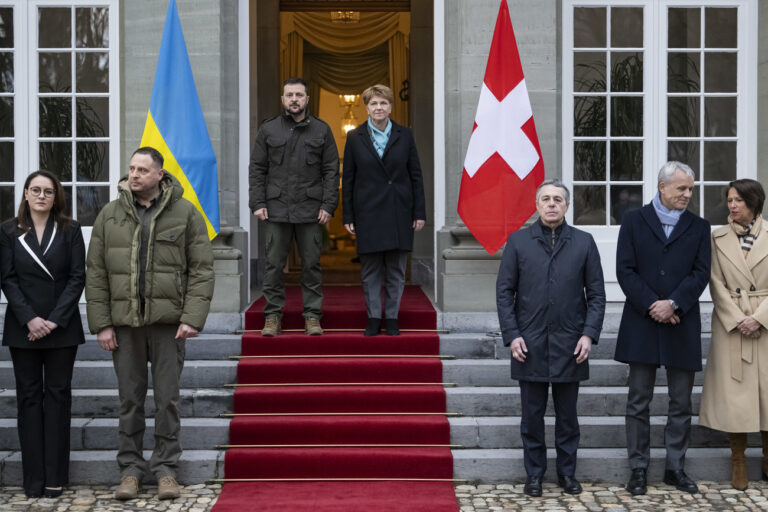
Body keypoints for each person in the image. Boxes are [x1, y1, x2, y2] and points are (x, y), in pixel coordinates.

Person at [85, 147, 214, 500]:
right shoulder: (109, 215)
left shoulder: (186, 213)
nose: (135, 175)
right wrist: (102, 324)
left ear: (160, 174)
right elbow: (95, 273)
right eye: (131, 169)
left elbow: (201, 269)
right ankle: (129, 470)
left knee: (168, 400)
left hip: (168, 325)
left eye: (143, 169)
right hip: (124, 326)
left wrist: (191, 318)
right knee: (130, 400)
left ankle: (166, 470)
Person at [496, 180, 605, 496]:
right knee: (531, 418)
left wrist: (589, 334)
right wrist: (512, 335)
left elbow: (597, 294)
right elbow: (504, 292)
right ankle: (534, 475)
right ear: (537, 204)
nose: (552, 204)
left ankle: (567, 474)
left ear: (567, 206)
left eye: (558, 199)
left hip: (571, 344)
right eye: (546, 199)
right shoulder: (518, 242)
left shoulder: (584, 242)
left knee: (568, 418)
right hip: (528, 344)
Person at [614, 161, 711, 495]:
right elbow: (625, 270)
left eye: (690, 190)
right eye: (681, 189)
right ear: (662, 187)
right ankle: (638, 468)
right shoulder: (633, 221)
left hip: (681, 322)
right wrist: (653, 304)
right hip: (642, 322)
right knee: (638, 400)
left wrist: (674, 304)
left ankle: (675, 468)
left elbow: (701, 273)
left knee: (681, 402)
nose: (687, 195)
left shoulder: (699, 227)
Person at [0, 171, 85, 498]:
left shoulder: (71, 230)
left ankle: (55, 478)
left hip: (61, 328)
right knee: (29, 401)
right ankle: (32, 479)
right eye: (35, 190)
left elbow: (78, 277)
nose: (41, 196)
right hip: (23, 330)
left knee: (59, 400)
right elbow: (7, 278)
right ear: (24, 194)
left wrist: (52, 320)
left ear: (56, 197)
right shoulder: (8, 232)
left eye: (48, 191)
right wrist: (30, 319)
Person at [249, 77, 339, 337]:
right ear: (283, 99)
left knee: (311, 265)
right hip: (276, 208)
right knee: (273, 265)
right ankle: (273, 316)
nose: (294, 100)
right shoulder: (269, 130)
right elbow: (257, 168)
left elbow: (332, 171)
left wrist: (328, 204)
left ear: (307, 99)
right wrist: (258, 202)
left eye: (299, 95)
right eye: (289, 95)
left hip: (311, 209)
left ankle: (312, 315)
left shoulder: (321, 130)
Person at [699, 179, 768, 490]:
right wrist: (739, 319)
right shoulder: (717, 238)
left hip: (765, 326)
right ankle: (738, 461)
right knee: (735, 397)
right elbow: (715, 283)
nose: (732, 206)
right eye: (729, 200)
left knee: (767, 396)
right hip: (732, 326)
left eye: (738, 200)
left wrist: (759, 318)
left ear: (754, 203)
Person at [342, 84, 426, 336]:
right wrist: (348, 215)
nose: (379, 108)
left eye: (383, 103)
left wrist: (419, 212)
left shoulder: (405, 135)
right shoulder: (355, 137)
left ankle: (391, 317)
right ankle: (373, 317)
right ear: (367, 107)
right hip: (367, 211)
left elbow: (416, 176)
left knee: (396, 269)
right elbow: (348, 179)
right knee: (370, 271)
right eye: (374, 103)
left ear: (391, 106)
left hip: (399, 209)